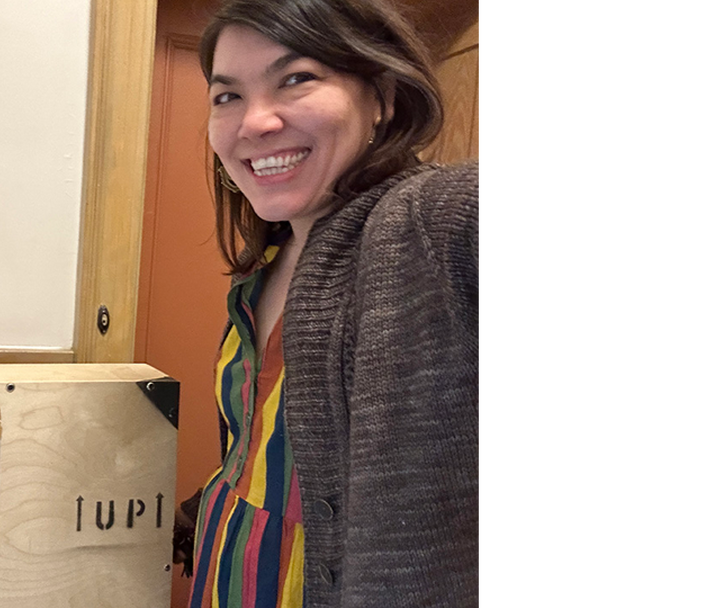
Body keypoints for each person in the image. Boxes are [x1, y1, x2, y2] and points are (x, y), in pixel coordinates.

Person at [177, 0, 481, 607]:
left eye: (296, 79)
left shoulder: (422, 225)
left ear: (383, 97)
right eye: (226, 95)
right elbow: (263, 442)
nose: (253, 122)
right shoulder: (263, 268)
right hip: (226, 574)